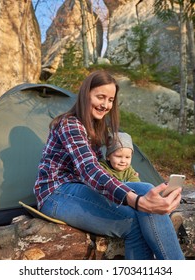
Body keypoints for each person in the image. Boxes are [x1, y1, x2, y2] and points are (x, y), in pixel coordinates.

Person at [34, 70, 185, 260]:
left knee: (147, 188)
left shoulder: (96, 127)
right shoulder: (70, 124)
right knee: (133, 220)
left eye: (111, 100)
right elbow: (89, 170)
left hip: (81, 188)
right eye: (100, 97)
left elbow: (100, 168)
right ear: (85, 95)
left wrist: (127, 182)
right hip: (56, 193)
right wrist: (135, 200)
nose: (106, 105)